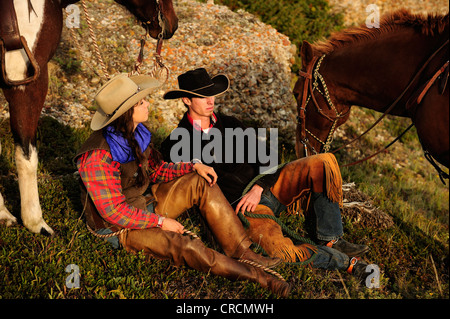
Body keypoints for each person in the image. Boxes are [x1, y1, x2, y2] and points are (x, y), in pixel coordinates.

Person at [74, 73, 290, 297]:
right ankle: (257, 277)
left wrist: (193, 166)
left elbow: (158, 169)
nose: (147, 103)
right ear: (126, 112)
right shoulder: (97, 156)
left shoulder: (136, 134)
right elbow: (113, 211)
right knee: (185, 246)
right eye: (140, 102)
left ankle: (242, 250)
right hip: (118, 227)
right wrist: (161, 221)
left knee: (201, 181)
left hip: (145, 203)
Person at [161, 68, 372, 279]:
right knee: (280, 251)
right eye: (202, 96)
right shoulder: (177, 142)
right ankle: (345, 262)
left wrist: (259, 186)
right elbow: (173, 174)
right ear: (186, 100)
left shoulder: (231, 124)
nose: (211, 100)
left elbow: (267, 158)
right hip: (245, 207)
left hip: (268, 186)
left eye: (212, 93)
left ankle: (331, 237)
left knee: (323, 162)